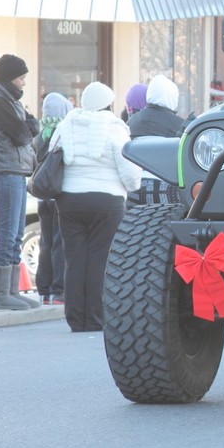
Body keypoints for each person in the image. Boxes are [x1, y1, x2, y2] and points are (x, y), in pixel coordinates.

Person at [49, 81, 142, 332]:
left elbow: (52, 156)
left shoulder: (65, 125)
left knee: (74, 258)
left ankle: (76, 319)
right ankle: (96, 317)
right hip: (107, 201)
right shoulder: (114, 128)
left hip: (69, 201)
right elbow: (131, 171)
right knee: (101, 259)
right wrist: (131, 188)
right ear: (108, 104)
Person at [0, 54, 41, 310]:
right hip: (5, 169)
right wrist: (29, 124)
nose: (23, 83)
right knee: (9, 232)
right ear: (9, 78)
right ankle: (0, 295)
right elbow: (21, 134)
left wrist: (29, 124)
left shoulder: (9, 99)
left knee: (17, 232)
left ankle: (12, 290)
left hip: (15, 169)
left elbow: (30, 128)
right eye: (20, 78)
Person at [33, 92, 73, 305]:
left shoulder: (40, 135)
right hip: (59, 194)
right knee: (59, 242)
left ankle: (43, 290)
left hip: (42, 197)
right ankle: (59, 290)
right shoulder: (63, 132)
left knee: (45, 243)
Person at [127, 74, 187, 207]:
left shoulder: (133, 121)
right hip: (167, 187)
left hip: (134, 186)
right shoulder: (180, 125)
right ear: (172, 97)